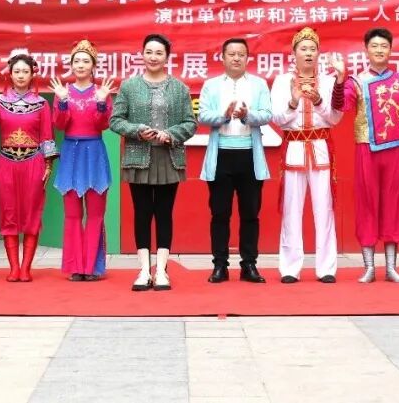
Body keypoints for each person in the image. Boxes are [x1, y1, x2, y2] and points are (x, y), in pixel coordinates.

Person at [110, 34, 197, 291]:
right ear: (142, 54)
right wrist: (137, 130)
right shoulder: (129, 86)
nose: (153, 57)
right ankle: (143, 270)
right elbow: (116, 120)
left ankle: (161, 270)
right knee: (142, 212)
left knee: (164, 213)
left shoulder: (179, 88)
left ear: (167, 57)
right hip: (138, 157)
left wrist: (170, 134)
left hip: (169, 157)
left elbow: (190, 123)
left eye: (159, 53)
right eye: (149, 52)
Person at [332, 27, 399, 283]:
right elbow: (340, 106)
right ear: (366, 50)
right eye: (375, 46)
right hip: (366, 149)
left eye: (384, 46)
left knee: (393, 206)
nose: (379, 50)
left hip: (396, 149)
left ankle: (391, 267)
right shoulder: (356, 81)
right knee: (366, 204)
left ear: (391, 50)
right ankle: (369, 267)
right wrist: (339, 79)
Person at [270, 27, 343, 284]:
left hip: (321, 147)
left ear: (319, 53)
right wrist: (293, 102)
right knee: (291, 209)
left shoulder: (329, 81)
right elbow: (277, 118)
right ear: (294, 53)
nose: (308, 53)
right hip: (294, 148)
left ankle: (326, 268)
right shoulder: (282, 81)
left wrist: (319, 100)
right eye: (303, 48)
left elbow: (335, 118)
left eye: (313, 49)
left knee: (324, 209)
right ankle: (290, 268)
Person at [196, 37, 272, 284]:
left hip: (249, 155)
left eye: (241, 54)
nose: (236, 58)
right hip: (221, 156)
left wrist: (248, 115)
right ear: (223, 57)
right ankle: (220, 265)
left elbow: (267, 114)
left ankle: (249, 264)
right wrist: (224, 115)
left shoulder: (259, 84)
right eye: (232, 54)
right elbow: (203, 115)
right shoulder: (211, 85)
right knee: (220, 214)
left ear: (247, 58)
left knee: (250, 213)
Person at [0, 54, 58, 282]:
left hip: (34, 162)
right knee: (9, 213)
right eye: (17, 71)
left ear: (32, 74)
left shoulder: (41, 104)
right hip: (7, 162)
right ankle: (13, 268)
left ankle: (26, 268)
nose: (21, 76)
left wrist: (48, 164)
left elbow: (47, 136)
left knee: (32, 213)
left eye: (25, 71)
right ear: (10, 74)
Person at [49, 41, 114, 281]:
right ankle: (75, 267)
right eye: (77, 61)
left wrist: (102, 102)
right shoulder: (62, 91)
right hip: (71, 153)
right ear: (71, 65)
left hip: (94, 152)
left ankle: (92, 267)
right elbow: (60, 124)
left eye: (86, 61)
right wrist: (62, 101)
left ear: (93, 65)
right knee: (73, 214)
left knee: (95, 213)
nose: (81, 65)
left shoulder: (101, 92)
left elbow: (102, 125)